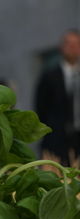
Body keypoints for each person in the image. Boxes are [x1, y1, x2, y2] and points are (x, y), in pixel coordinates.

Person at [35, 30, 80, 164]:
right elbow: (40, 108)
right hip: (56, 141)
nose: (72, 47)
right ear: (61, 47)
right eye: (68, 43)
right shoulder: (49, 76)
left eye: (76, 44)